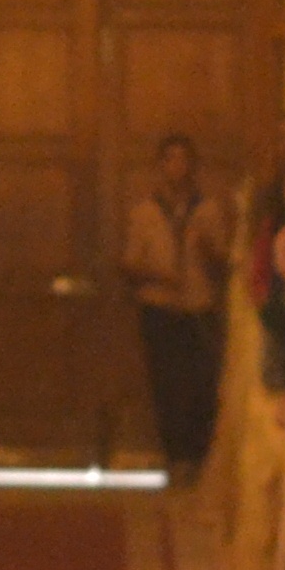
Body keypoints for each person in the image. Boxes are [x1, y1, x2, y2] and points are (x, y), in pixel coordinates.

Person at [119, 134, 235, 473]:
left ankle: (198, 456)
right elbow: (129, 264)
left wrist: (207, 249)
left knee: (202, 383)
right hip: (159, 306)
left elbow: (224, 265)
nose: (177, 167)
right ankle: (175, 457)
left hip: (199, 306)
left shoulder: (209, 209)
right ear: (160, 166)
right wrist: (158, 275)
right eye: (170, 159)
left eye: (184, 159)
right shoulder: (144, 212)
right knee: (165, 384)